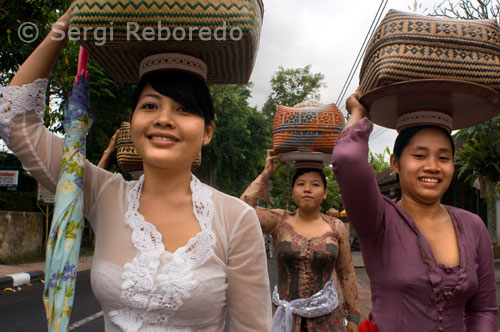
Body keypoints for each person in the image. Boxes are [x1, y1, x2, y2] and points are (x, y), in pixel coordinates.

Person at [0, 6, 272, 331]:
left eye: (184, 109)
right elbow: (13, 120)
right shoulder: (101, 193)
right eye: (150, 105)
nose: (163, 118)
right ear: (133, 122)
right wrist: (66, 24)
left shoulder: (237, 220)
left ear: (208, 131)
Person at [331, 89, 498, 331]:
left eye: (444, 158)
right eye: (419, 155)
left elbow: (484, 309)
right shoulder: (377, 219)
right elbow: (347, 160)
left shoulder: (473, 226)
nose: (432, 167)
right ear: (395, 163)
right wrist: (358, 111)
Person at [241, 150, 360, 332]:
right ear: (293, 191)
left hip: (327, 320)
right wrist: (267, 173)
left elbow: (346, 272)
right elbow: (243, 209)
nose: (307, 189)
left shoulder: (336, 227)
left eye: (315, 184)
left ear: (325, 193)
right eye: (300, 184)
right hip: (286, 320)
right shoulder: (279, 220)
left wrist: (353, 316)